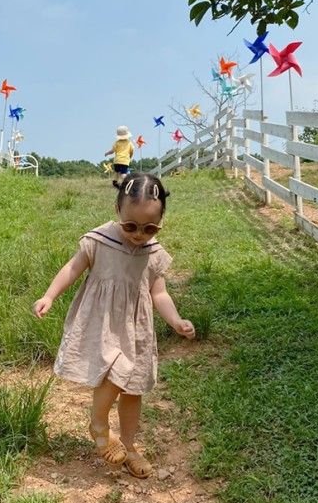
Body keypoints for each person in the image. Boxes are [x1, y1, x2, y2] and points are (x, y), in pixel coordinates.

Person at [32, 173, 196, 478]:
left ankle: (130, 446)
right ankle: (98, 422)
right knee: (115, 371)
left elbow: (158, 292)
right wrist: (49, 295)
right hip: (104, 322)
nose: (138, 234)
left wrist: (175, 320)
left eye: (150, 228)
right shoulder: (100, 240)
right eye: (130, 226)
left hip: (137, 328)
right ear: (117, 210)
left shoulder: (153, 252)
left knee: (134, 389)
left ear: (161, 221)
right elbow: (72, 267)